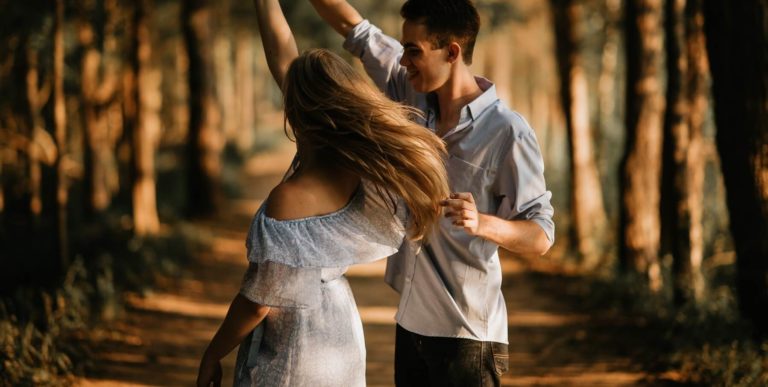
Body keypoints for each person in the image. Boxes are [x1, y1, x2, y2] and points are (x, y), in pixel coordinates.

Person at [195, 1, 450, 386]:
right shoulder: (365, 171)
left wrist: (213, 352)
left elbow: (260, 301)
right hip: (340, 331)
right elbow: (283, 57)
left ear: (299, 111)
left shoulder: (290, 197)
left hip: (297, 346)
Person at [308, 0, 556, 385]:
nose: (403, 60)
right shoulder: (410, 92)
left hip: (467, 338)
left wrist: (484, 223)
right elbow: (352, 26)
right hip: (410, 323)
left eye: (413, 50)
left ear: (452, 52)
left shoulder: (508, 132)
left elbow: (541, 236)